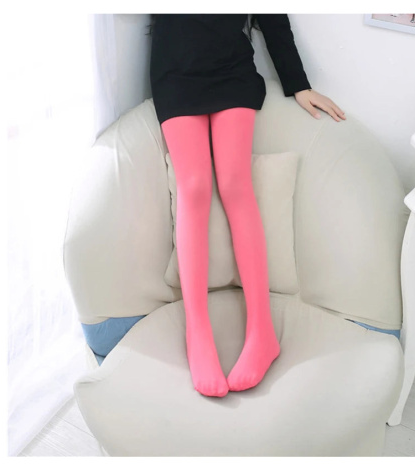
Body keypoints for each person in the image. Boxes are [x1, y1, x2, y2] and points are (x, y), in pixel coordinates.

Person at [149, 13, 346, 398]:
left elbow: (272, 16)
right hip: (174, 71)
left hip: (231, 69)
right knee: (193, 187)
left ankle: (262, 331)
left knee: (235, 184)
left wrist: (298, 84)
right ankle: (198, 333)